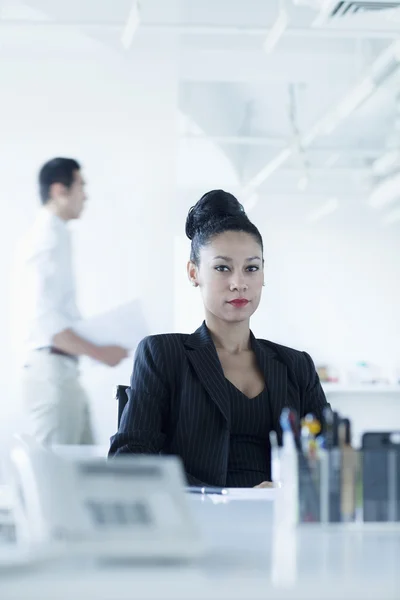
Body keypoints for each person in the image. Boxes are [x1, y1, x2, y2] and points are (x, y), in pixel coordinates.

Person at [109, 190, 328, 487]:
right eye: (222, 268)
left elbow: (330, 460)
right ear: (193, 272)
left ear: (263, 273)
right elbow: (130, 460)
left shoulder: (296, 365)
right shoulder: (164, 354)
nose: (239, 283)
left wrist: (293, 486)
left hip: (278, 522)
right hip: (198, 522)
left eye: (251, 268)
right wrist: (227, 496)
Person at [16, 157, 128, 445]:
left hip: (63, 373)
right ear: (59, 190)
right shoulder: (47, 240)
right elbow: (49, 326)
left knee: (80, 472)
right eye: (81, 185)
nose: (86, 195)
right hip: (52, 373)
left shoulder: (57, 236)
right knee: (56, 476)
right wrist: (100, 352)